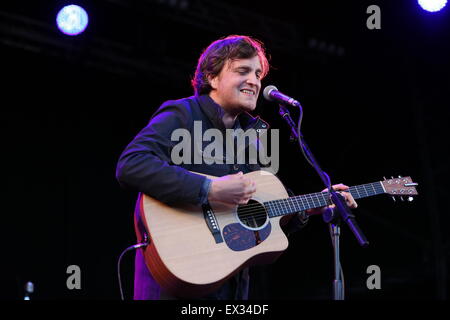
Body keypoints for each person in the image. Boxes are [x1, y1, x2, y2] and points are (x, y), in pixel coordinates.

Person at [116, 35, 357, 300]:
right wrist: (210, 189)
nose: (254, 81)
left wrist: (313, 206)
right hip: (175, 283)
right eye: (242, 71)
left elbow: (260, 215)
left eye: (257, 73)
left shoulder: (252, 138)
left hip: (230, 289)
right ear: (212, 77)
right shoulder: (183, 114)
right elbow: (132, 164)